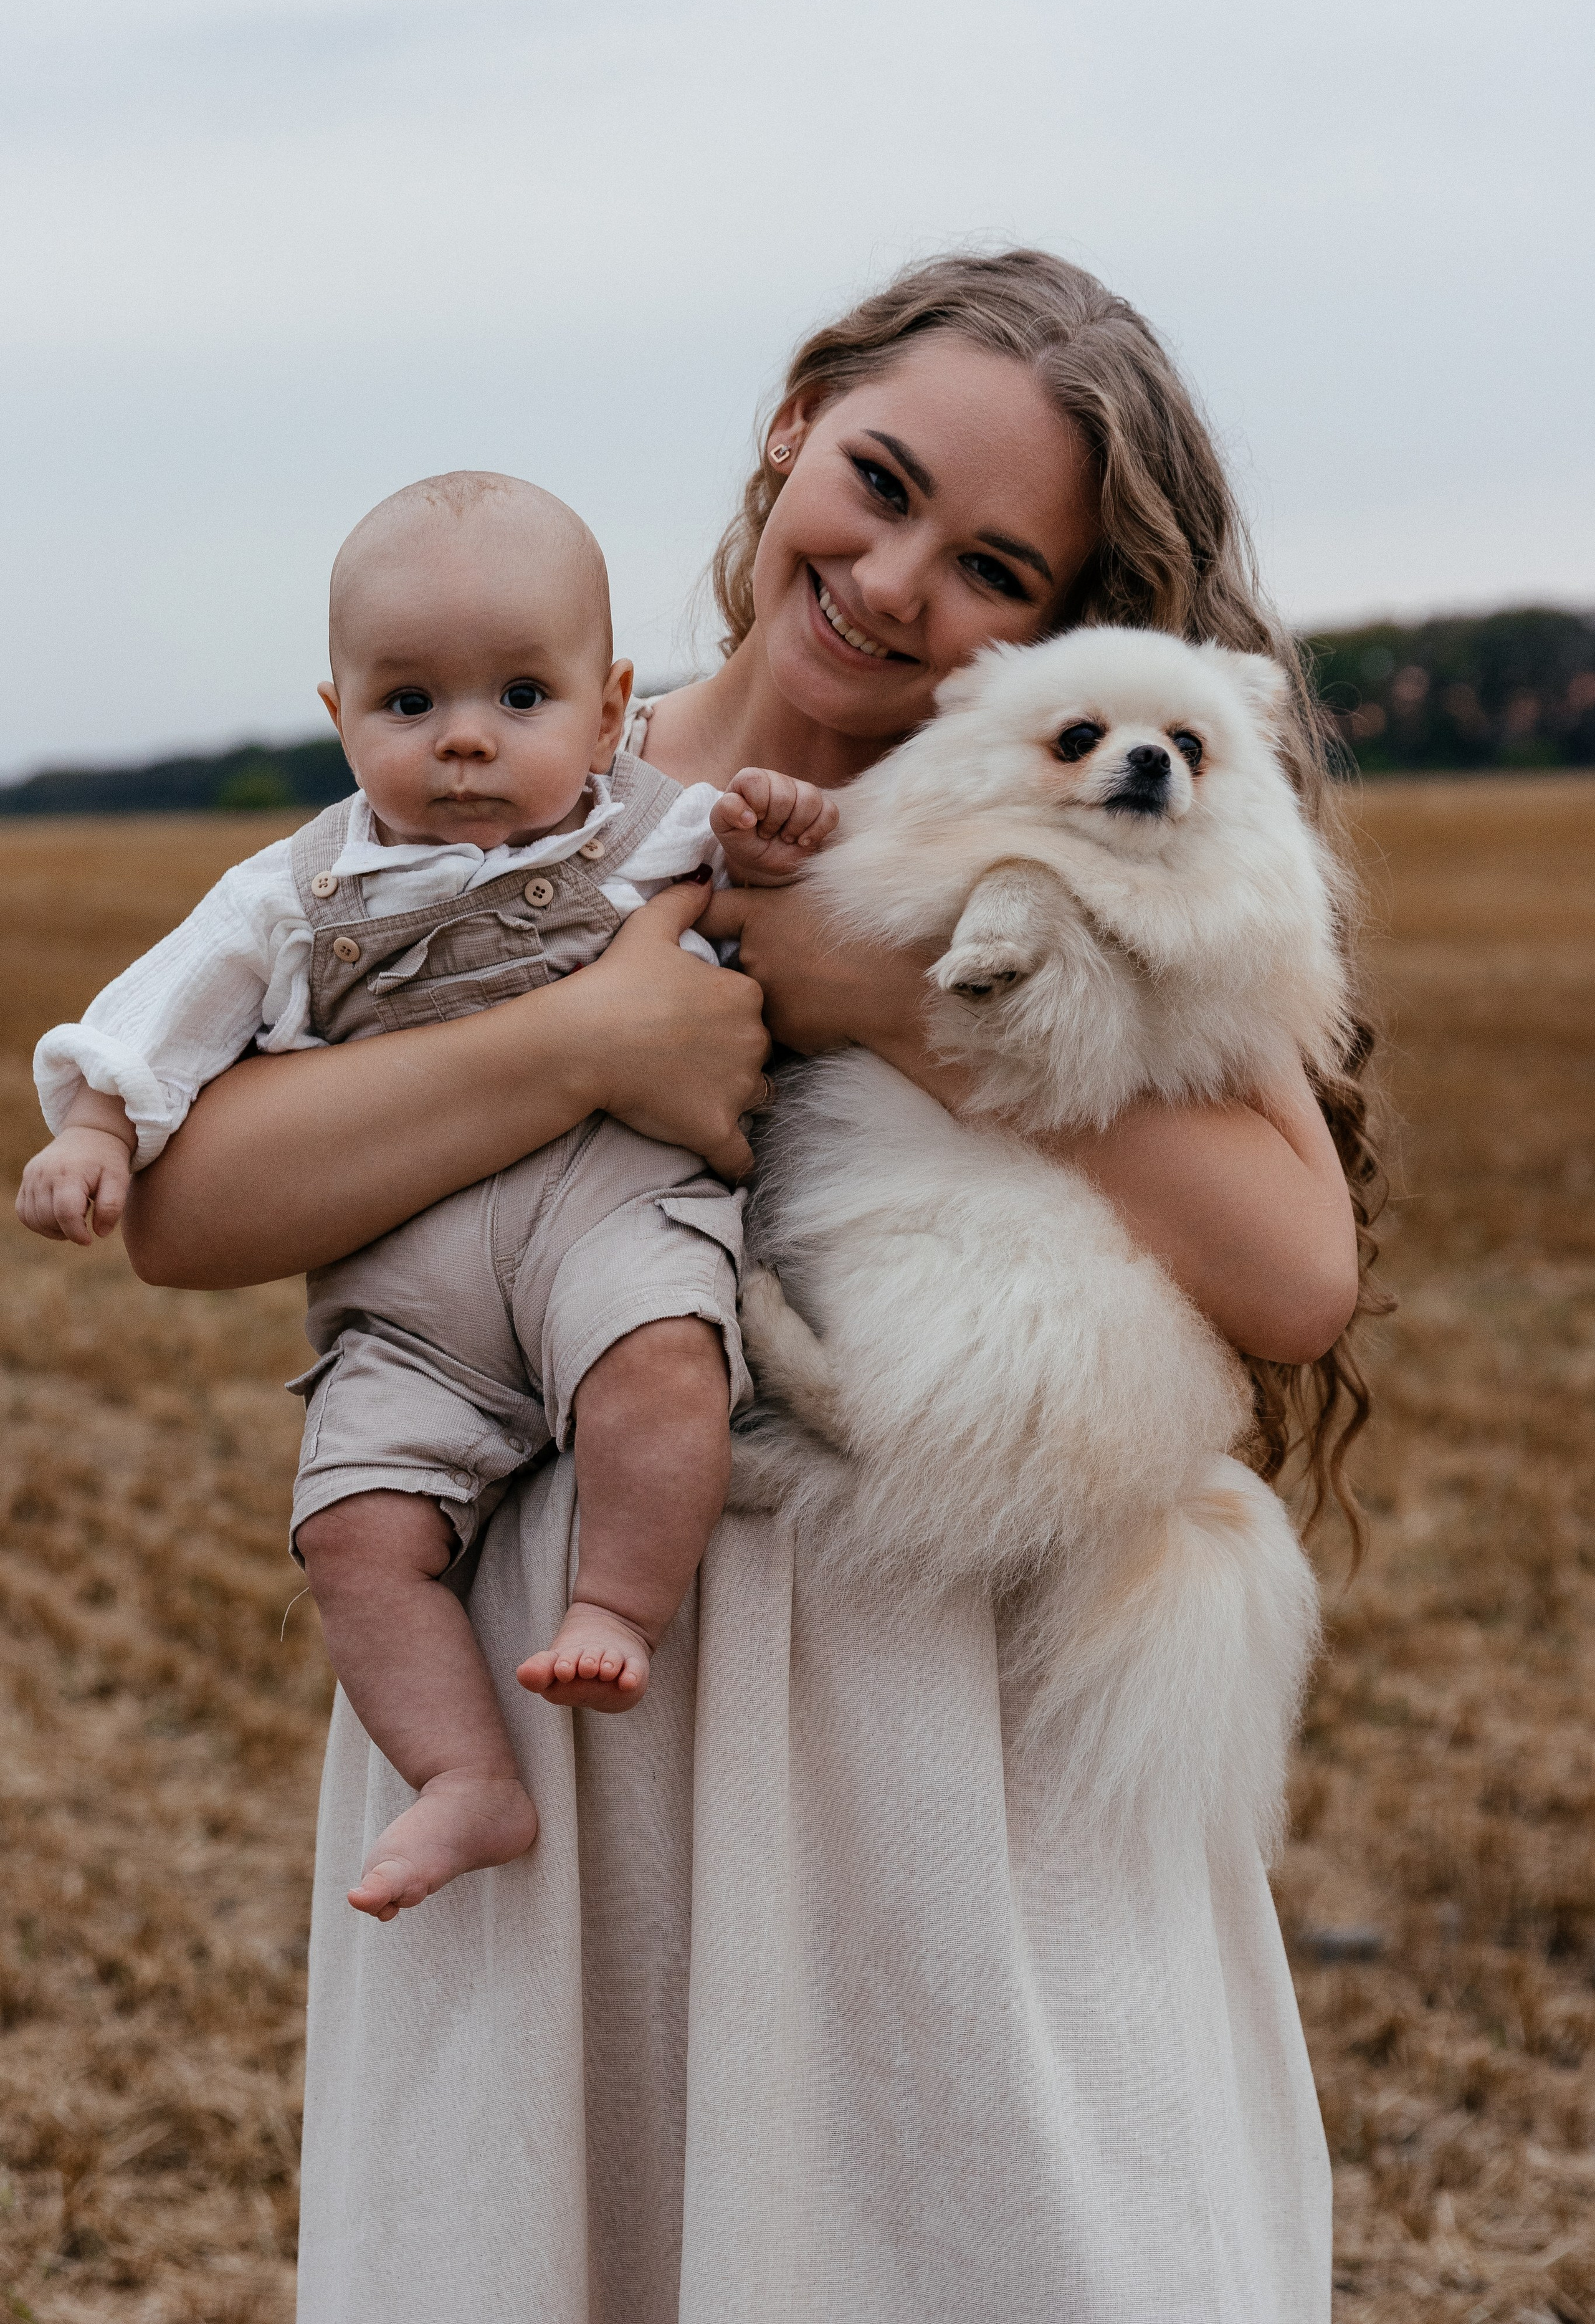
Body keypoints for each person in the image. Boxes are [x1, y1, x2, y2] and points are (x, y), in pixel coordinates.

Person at [123, 251, 1374, 2323]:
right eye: (875, 484)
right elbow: (190, 1210)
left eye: (989, 564)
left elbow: (1297, 1269)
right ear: (793, 422)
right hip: (575, 1710)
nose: (891, 581)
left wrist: (878, 991)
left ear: (1053, 630)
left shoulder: (1058, 831)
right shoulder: (508, 766)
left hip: (937, 1719)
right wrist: (584, 1047)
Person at [19, 471, 839, 1924]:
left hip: (608, 1219)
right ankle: (465, 1775)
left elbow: (753, 886)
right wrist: (96, 1130)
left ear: (608, 708)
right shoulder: (293, 892)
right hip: (408, 1310)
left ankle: (613, 1606)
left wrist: (771, 842)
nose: (463, 737)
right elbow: (158, 1020)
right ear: (338, 714)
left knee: (663, 1368)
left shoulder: (648, 825)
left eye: (520, 695)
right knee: (351, 1532)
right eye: (409, 704)